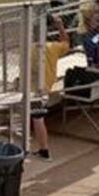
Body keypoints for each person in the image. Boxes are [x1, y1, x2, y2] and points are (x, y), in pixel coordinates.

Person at [31, 16, 70, 161]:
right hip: (45, 87)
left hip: (34, 90)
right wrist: (60, 25)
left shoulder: (30, 49)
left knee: (37, 118)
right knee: (36, 118)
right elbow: (66, 43)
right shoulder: (54, 47)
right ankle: (42, 150)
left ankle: (44, 151)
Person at [78, 0, 99, 66]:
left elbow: (86, 17)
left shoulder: (87, 0)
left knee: (90, 48)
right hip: (97, 28)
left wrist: (90, 29)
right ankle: (95, 63)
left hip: (88, 30)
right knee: (96, 47)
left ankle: (92, 65)